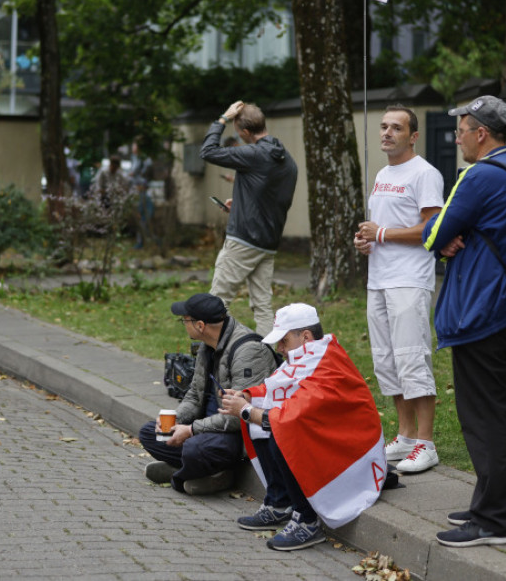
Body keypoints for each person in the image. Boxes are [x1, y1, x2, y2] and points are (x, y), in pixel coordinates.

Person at [422, 95, 506, 548]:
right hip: (505, 305)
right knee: (502, 412)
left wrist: (445, 237)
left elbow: (434, 232)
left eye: (461, 129)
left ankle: (492, 522)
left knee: (483, 416)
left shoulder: (479, 175)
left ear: (481, 133)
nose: (457, 137)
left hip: (478, 310)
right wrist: (454, 234)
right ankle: (502, 504)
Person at [220, 303, 388, 551]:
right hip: (333, 435)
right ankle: (279, 502)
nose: (279, 349)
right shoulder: (309, 355)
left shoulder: (325, 362)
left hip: (352, 446)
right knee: (267, 420)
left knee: (281, 430)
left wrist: (245, 410)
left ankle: (307, 521)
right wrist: (246, 395)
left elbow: (289, 417)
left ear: (305, 336)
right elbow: (274, 390)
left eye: (284, 341)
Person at [354, 105, 444, 474]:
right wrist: (368, 242)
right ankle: (405, 436)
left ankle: (426, 443)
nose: (387, 133)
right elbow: (382, 228)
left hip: (409, 280)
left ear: (413, 136)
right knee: (386, 361)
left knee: (411, 357)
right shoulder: (382, 173)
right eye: (384, 127)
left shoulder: (425, 173)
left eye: (396, 128)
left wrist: (383, 234)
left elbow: (433, 228)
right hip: (379, 279)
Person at [138, 293, 278, 495]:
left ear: (200, 325)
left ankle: (192, 474)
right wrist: (177, 419)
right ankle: (199, 471)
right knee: (151, 432)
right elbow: (194, 395)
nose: (183, 324)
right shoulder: (206, 346)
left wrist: (192, 429)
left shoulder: (248, 351)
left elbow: (241, 416)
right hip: (206, 427)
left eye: (184, 320)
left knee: (195, 448)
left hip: (236, 434)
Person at [200, 100, 298, 335]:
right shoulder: (287, 160)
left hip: (243, 241)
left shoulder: (253, 154)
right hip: (267, 245)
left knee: (217, 302)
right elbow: (273, 199)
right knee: (262, 307)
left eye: (237, 131)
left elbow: (208, 151)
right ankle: (267, 360)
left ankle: (214, 360)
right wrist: (244, 205)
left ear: (244, 131)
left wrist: (222, 118)